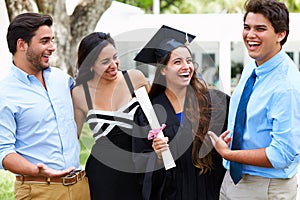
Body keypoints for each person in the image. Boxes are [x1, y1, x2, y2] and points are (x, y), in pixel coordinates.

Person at [208, 0, 300, 199]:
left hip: (264, 187)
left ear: (281, 34)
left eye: (260, 29)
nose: (250, 35)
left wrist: (229, 154)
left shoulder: (287, 86)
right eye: (247, 27)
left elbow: (281, 155)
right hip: (233, 179)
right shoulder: (252, 67)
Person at [132, 25, 230, 200]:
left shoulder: (215, 102)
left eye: (189, 60)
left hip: (210, 190)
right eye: (177, 62)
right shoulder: (148, 112)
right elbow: (139, 163)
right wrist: (158, 156)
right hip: (172, 194)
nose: (186, 67)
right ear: (163, 69)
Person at [0, 13, 90, 199]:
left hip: (81, 187)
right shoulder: (5, 93)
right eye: (45, 41)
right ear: (22, 45)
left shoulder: (62, 79)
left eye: (52, 40)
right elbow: (3, 151)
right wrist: (36, 170)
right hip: (39, 190)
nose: (52, 47)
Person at [72, 32, 149, 199]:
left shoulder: (135, 78)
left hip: (140, 167)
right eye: (105, 62)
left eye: (115, 57)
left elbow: (156, 120)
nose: (114, 65)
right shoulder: (79, 93)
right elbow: (72, 139)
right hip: (104, 174)